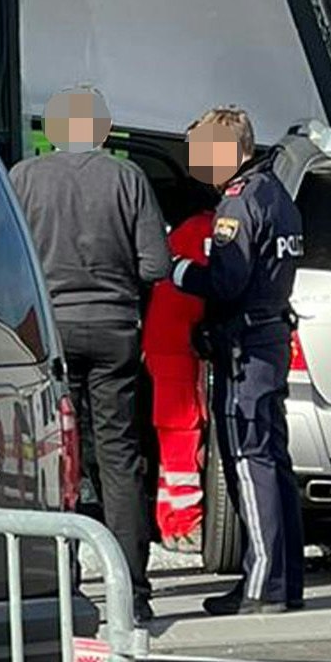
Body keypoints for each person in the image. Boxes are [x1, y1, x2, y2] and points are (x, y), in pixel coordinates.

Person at [9, 86, 170, 624]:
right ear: (101, 129)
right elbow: (156, 266)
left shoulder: (24, 178)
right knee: (121, 459)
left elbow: (1, 259)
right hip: (115, 331)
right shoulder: (128, 180)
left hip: (49, 338)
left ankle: (61, 585)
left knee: (59, 461)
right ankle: (133, 592)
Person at [168, 106, 305, 616]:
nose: (196, 163)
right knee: (273, 460)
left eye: (202, 152)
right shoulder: (277, 193)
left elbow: (227, 282)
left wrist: (180, 271)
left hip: (245, 347)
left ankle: (264, 585)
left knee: (250, 464)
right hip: (268, 341)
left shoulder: (238, 204)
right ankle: (283, 579)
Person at [145, 207, 218, 548]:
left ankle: (171, 520)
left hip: (166, 343)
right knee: (182, 434)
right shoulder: (208, 231)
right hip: (178, 345)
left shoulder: (190, 228)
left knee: (174, 437)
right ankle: (187, 524)